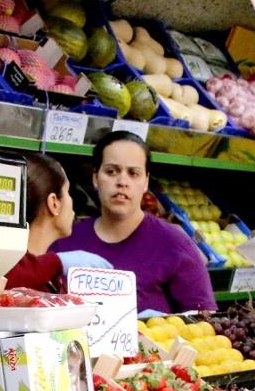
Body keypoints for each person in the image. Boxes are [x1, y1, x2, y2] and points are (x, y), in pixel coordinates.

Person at [50, 131, 216, 314]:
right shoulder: (64, 242)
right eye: (111, 171)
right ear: (95, 178)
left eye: (133, 173)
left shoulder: (175, 244)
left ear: (146, 182)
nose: (122, 182)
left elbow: (204, 318)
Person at [4, 153, 110, 292]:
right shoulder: (6, 269)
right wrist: (56, 262)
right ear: (54, 203)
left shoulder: (51, 279)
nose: (72, 202)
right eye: (68, 192)